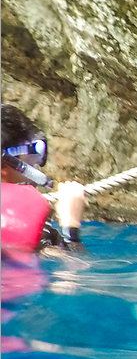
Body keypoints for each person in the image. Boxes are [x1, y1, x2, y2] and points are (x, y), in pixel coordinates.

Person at [1, 104, 86, 253]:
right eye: (33, 152)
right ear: (4, 165)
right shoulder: (19, 221)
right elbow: (73, 272)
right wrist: (70, 227)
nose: (37, 163)